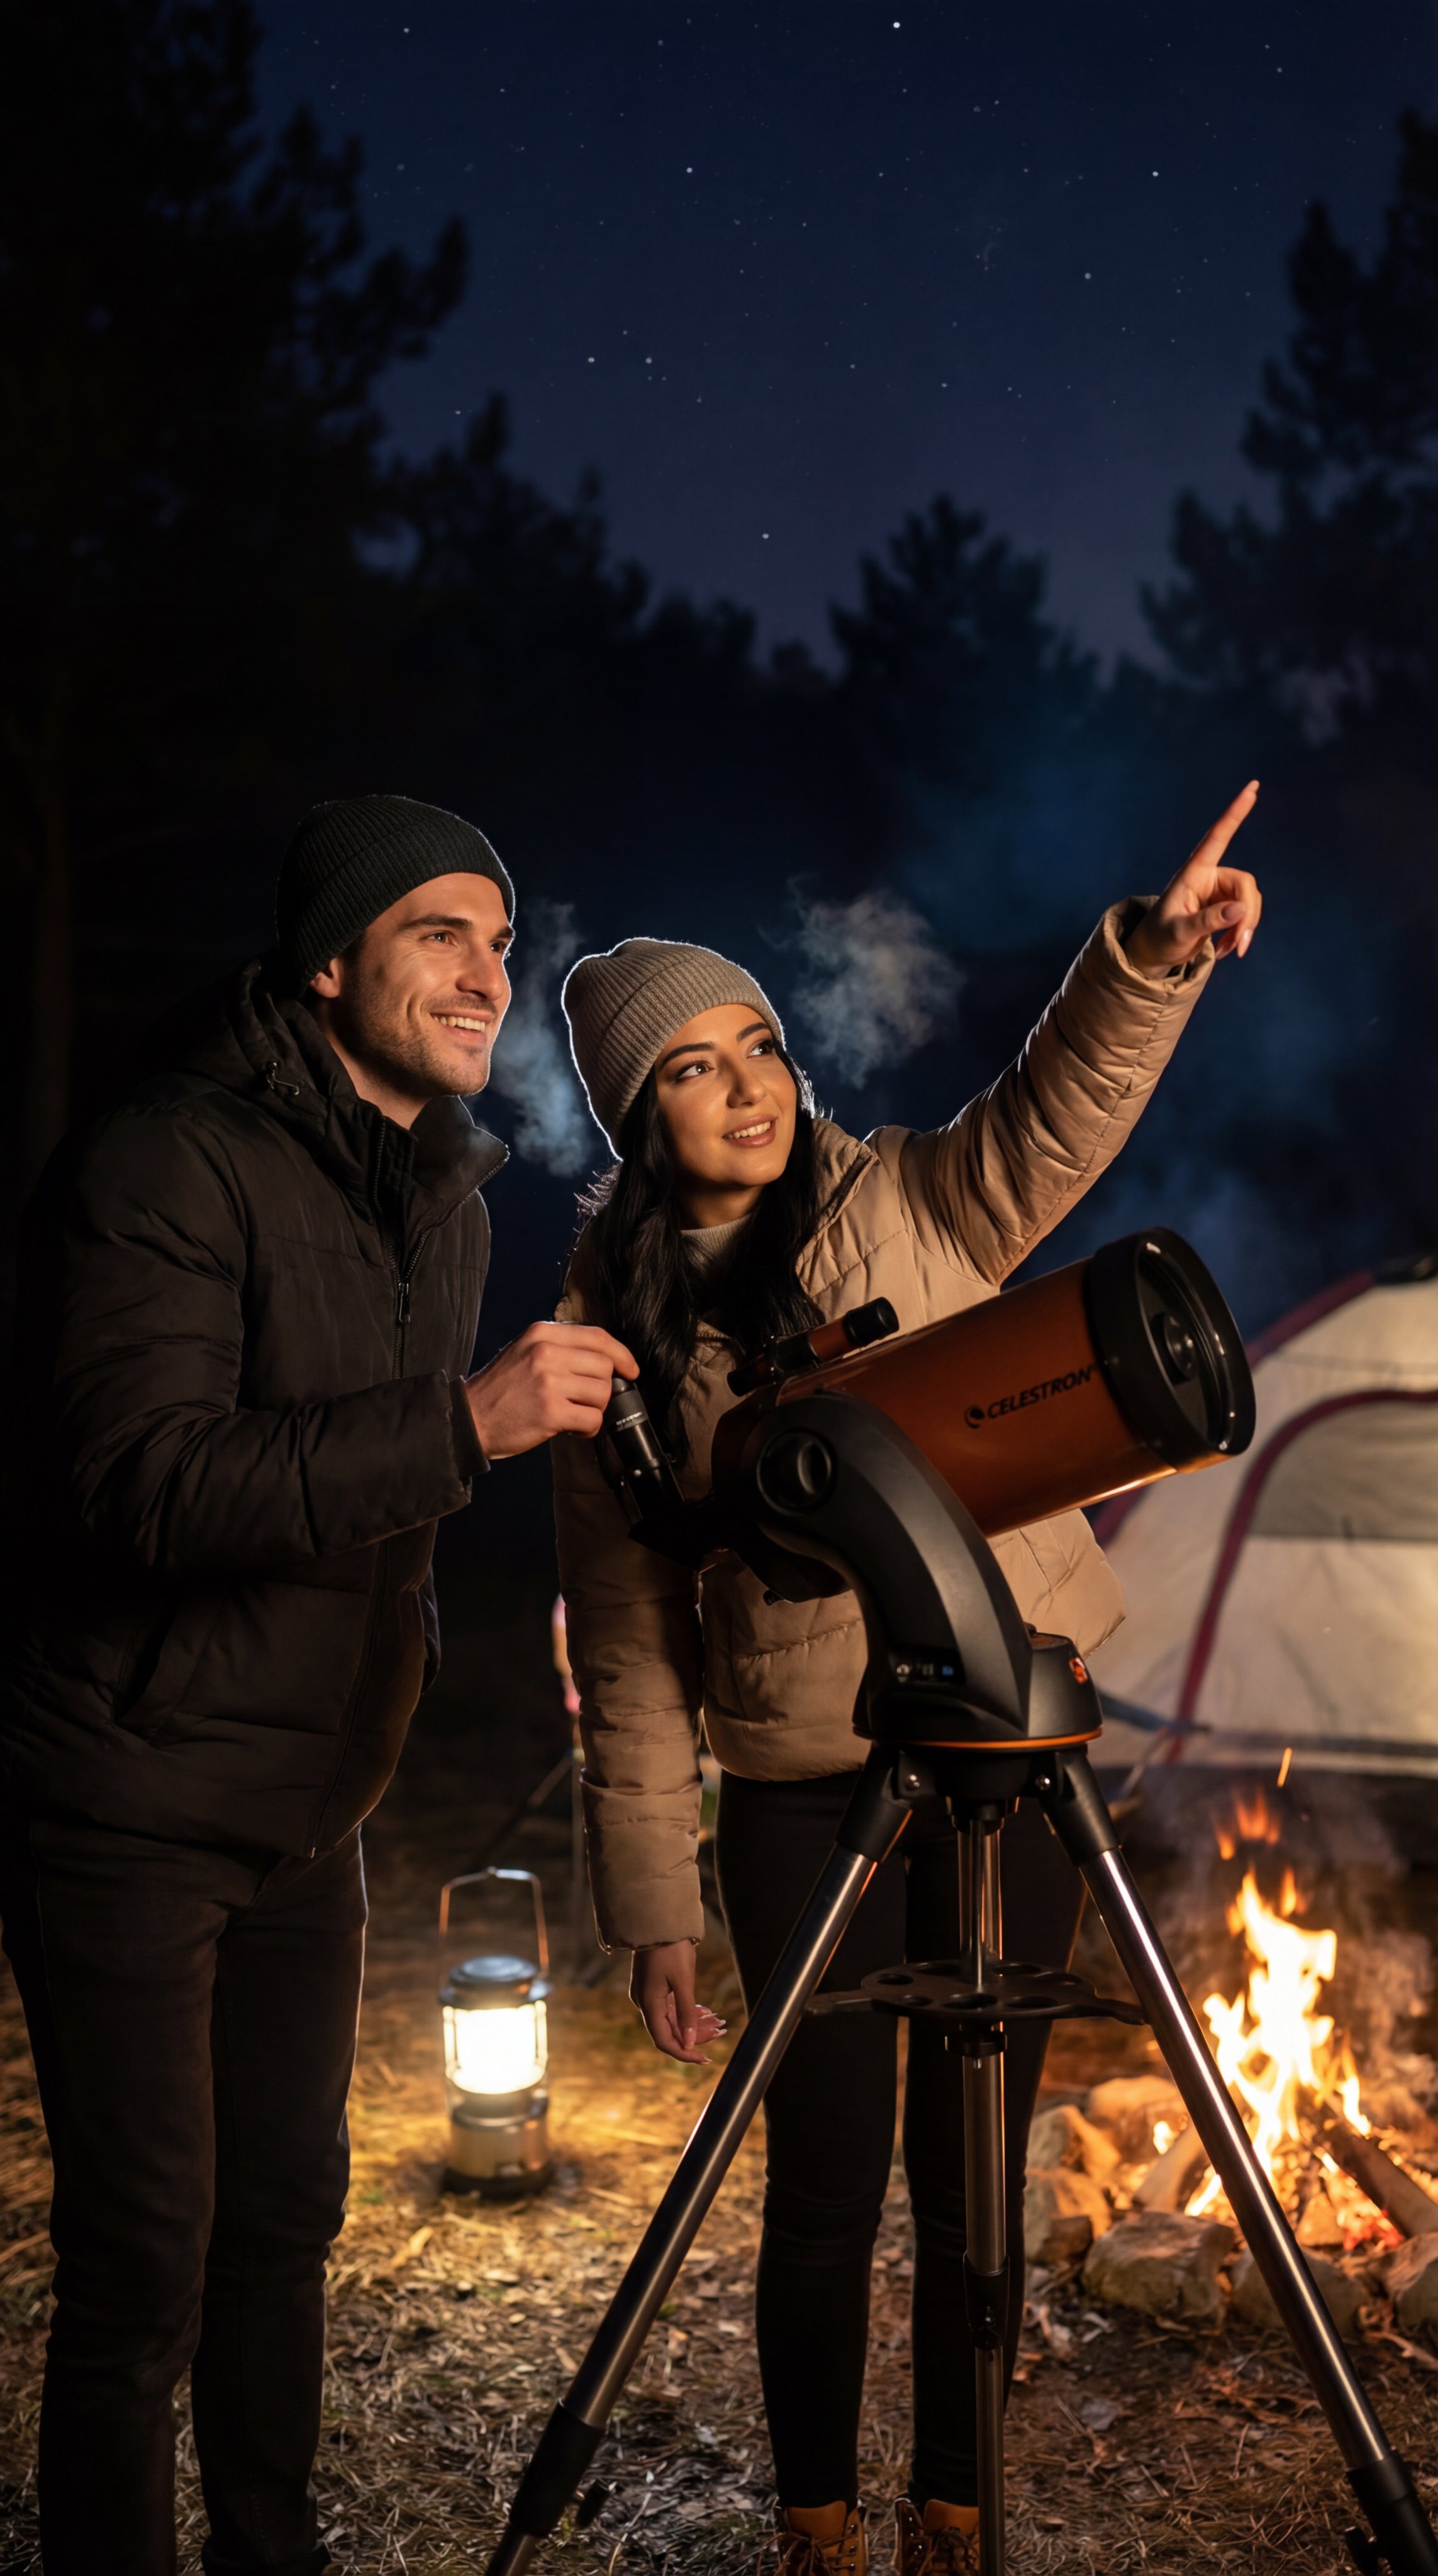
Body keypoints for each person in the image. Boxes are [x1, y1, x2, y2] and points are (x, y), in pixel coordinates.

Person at [553, 787, 1262, 2576]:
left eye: (761, 1043)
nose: (750, 1081)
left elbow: (1054, 1114)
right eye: (697, 1068)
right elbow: (629, 1643)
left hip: (1007, 1742)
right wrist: (650, 1899)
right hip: (805, 1783)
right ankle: (819, 2524)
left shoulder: (911, 1201)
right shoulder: (616, 1346)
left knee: (978, 2168)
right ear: (640, 1118)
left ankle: (960, 2508)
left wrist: (1149, 964)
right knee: (820, 2183)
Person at [0, 794, 633, 2576]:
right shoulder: (165, 1162)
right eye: (439, 929)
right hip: (126, 1789)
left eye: (502, 939)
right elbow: (142, 1483)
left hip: (310, 1805)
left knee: (287, 2220)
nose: (484, 968)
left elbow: (375, 1495)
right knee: (146, 2258)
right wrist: (465, 1424)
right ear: (331, 959)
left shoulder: (440, 1192)